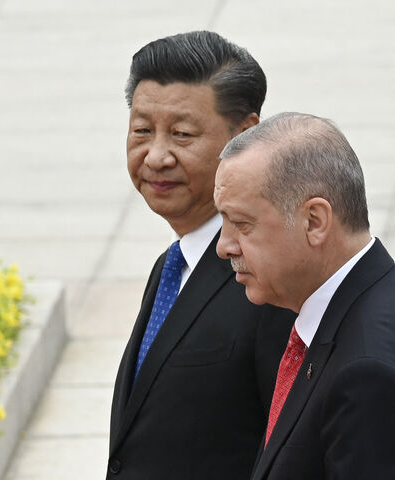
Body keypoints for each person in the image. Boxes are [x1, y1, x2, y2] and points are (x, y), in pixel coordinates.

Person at [214, 112, 395, 480]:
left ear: (314, 221)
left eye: (241, 224)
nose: (224, 246)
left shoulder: (370, 374)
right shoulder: (394, 289)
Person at [107, 32, 295, 480]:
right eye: (141, 131)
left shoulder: (273, 281)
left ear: (245, 135)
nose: (155, 156)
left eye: (182, 135)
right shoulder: (173, 264)